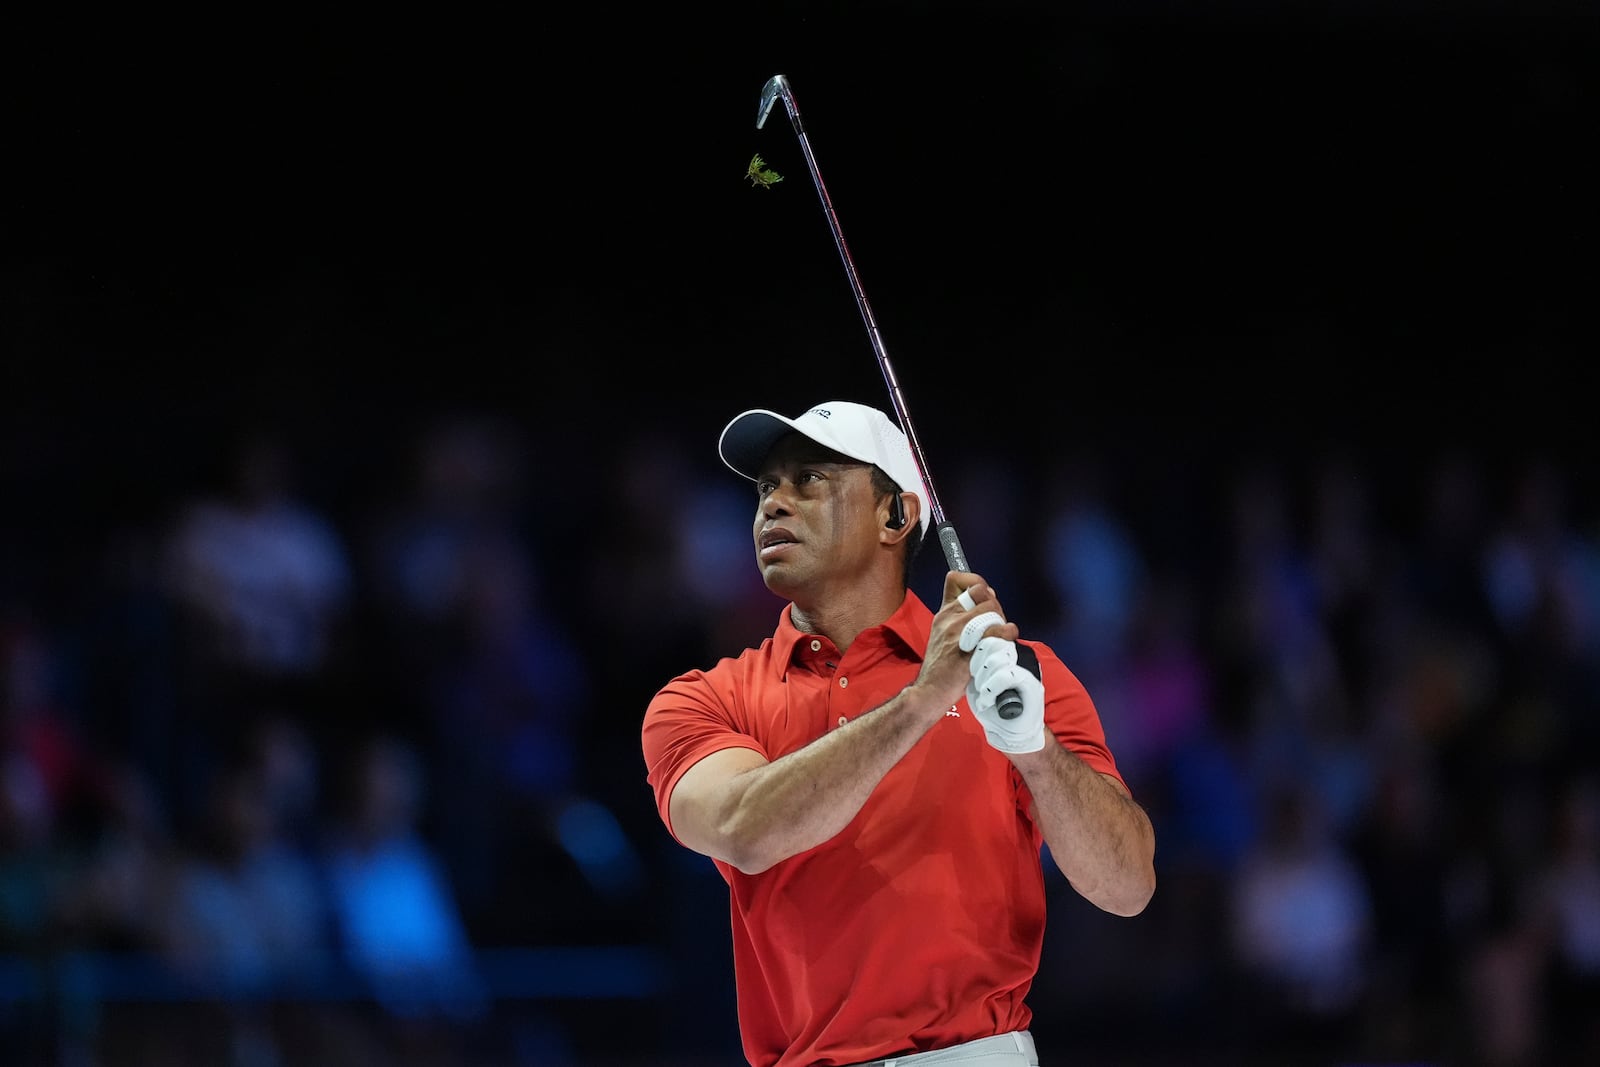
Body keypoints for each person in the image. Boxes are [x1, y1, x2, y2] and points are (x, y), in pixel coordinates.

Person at [640, 399, 1157, 1067]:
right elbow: (744, 829)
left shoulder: (1020, 674)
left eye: (810, 480)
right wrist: (922, 700)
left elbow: (1127, 884)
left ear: (896, 514)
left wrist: (1036, 749)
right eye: (767, 487)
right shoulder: (705, 698)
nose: (773, 504)